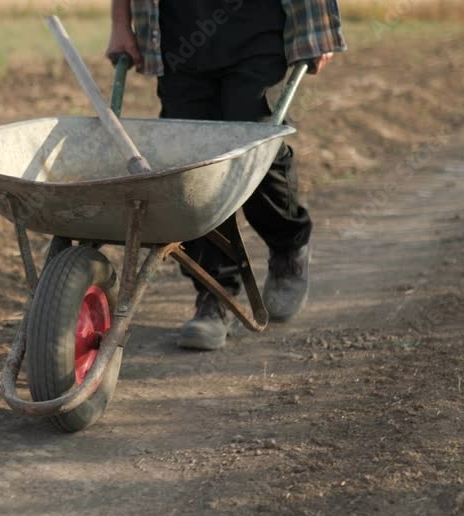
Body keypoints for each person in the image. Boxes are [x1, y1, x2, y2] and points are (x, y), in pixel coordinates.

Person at [107, 0, 346, 350]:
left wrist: (318, 23)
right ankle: (215, 294)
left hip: (258, 25)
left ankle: (288, 243)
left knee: (255, 149)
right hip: (180, 30)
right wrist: (120, 24)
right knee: (191, 166)